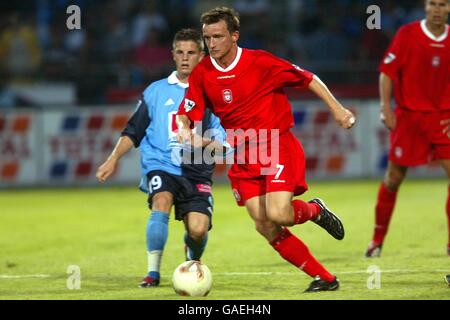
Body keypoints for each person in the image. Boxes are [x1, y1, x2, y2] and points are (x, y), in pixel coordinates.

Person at [176, 7, 356, 292]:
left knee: (280, 214)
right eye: (207, 37)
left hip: (275, 144)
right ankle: (324, 278)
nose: (211, 44)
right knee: (264, 224)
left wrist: (338, 109)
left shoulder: (260, 62)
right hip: (242, 153)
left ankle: (315, 211)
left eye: (218, 36)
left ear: (234, 36)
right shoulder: (203, 73)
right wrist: (185, 130)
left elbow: (308, 77)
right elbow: (187, 110)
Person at [96, 28, 229, 287]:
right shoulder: (155, 92)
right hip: (161, 164)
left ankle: (192, 258)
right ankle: (152, 273)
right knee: (162, 200)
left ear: (202, 56)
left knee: (198, 230)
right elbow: (133, 131)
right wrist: (113, 159)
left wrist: (205, 143)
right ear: (173, 55)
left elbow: (224, 141)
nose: (185, 58)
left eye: (191, 52)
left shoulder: (214, 93)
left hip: (197, 170)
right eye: (180, 52)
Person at [366, 0, 450, 258]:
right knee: (393, 179)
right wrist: (385, 108)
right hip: (410, 117)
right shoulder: (408, 34)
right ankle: (377, 240)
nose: (437, 9)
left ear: (448, 8)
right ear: (426, 6)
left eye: (443, 4)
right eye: (433, 4)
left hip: (444, 119)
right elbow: (387, 73)